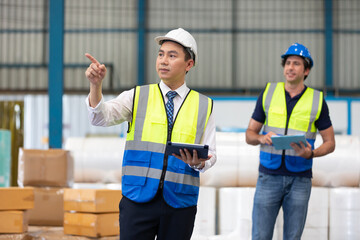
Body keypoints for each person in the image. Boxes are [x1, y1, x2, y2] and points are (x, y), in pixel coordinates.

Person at [84, 28, 216, 240]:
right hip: (138, 199)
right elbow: (100, 117)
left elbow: (212, 154)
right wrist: (95, 86)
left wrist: (198, 163)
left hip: (180, 203)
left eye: (172, 56)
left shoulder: (204, 105)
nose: (163, 60)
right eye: (161, 54)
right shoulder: (137, 96)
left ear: (189, 64)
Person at [245, 43, 335, 239]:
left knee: (293, 237)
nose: (290, 67)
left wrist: (312, 153)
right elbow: (249, 134)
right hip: (268, 177)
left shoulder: (317, 100)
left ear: (306, 70)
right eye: (287, 63)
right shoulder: (268, 93)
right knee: (260, 236)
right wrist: (261, 137)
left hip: (300, 179)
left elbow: (330, 143)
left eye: (296, 63)